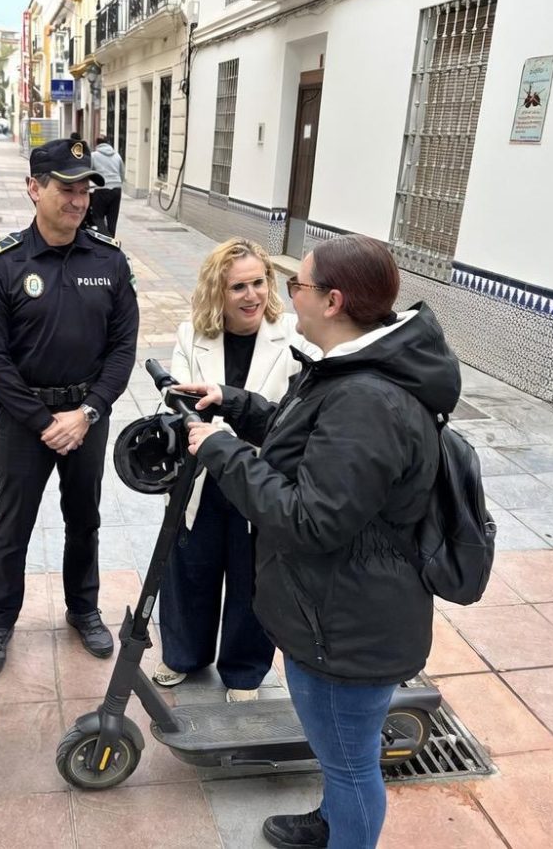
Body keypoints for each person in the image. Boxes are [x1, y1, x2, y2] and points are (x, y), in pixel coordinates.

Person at [181, 234, 461, 849]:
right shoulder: (353, 368)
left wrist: (224, 451)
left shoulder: (367, 398)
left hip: (349, 624)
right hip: (335, 605)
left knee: (353, 764)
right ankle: (330, 823)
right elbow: (304, 438)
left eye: (295, 285)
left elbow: (312, 518)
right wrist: (236, 405)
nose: (287, 296)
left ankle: (345, 827)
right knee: (341, 751)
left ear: (332, 301)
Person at [0, 138, 140, 677]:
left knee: (84, 520)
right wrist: (44, 422)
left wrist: (87, 413)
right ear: (33, 189)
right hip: (26, 423)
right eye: (65, 188)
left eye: (84, 188)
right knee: (13, 524)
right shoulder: (2, 265)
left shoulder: (109, 261)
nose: (78, 198)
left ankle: (84, 609)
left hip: (87, 418)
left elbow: (123, 348)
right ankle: (0, 622)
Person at [153, 238, 305, 703]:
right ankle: (183, 655)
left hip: (259, 477)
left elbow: (292, 413)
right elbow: (179, 404)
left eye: (258, 282)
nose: (251, 295)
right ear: (217, 292)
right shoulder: (191, 335)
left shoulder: (294, 337)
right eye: (237, 286)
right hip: (202, 478)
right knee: (189, 571)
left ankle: (243, 671)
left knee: (252, 578)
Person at [89, 135, 124, 236]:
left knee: (97, 216)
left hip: (101, 189)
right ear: (107, 143)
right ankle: (111, 238)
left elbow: (89, 171)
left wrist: (92, 185)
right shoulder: (117, 155)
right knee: (112, 217)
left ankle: (103, 238)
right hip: (116, 189)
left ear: (97, 144)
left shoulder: (94, 155)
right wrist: (118, 183)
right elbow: (122, 173)